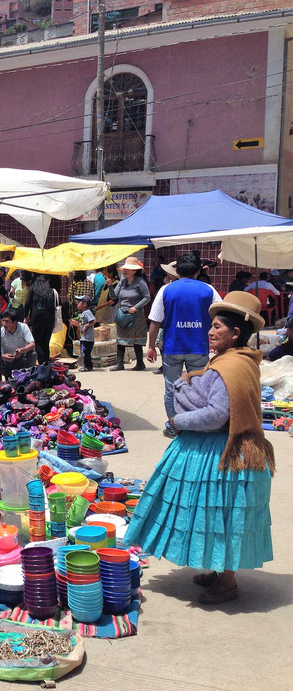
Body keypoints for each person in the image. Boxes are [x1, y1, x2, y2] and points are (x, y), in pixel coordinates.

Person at [123, 292, 275, 605]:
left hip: (225, 450)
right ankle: (220, 571)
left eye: (218, 327)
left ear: (235, 334)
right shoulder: (239, 360)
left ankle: (228, 583)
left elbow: (217, 414)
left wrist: (178, 420)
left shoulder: (229, 367)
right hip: (226, 445)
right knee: (214, 514)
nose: (210, 331)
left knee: (223, 516)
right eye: (211, 326)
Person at [147, 250, 222, 419]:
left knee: (172, 389)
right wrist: (219, 344)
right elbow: (221, 317)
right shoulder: (209, 290)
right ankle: (194, 424)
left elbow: (155, 321)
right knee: (199, 390)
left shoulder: (166, 290)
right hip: (199, 348)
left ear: (177, 272)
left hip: (172, 348)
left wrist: (151, 347)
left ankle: (174, 426)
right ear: (198, 272)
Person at [108, 256, 151, 372]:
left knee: (136, 340)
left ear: (134, 270)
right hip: (122, 314)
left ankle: (140, 363)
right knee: (120, 340)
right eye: (124, 268)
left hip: (136, 316)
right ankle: (119, 363)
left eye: (128, 269)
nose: (125, 271)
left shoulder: (140, 282)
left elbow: (147, 297)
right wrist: (110, 286)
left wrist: (135, 307)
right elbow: (113, 296)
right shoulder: (122, 282)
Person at [0, 307, 36, 378]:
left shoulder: (23, 327)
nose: (4, 324)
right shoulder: (0, 332)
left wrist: (21, 350)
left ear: (15, 322)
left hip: (21, 359)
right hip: (7, 361)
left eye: (7, 321)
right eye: (3, 321)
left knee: (33, 354)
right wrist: (4, 356)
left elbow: (32, 344)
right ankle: (9, 377)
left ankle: (25, 375)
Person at [24, 274, 56, 365]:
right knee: (46, 343)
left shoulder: (33, 289)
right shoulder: (51, 291)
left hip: (37, 320)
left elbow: (27, 303)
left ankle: (42, 364)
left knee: (37, 343)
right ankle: (46, 363)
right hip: (49, 320)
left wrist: (25, 317)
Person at [70, 295, 96, 372]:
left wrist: (86, 326)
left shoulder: (87, 312)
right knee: (84, 352)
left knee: (85, 352)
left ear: (84, 304)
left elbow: (93, 321)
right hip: (84, 337)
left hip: (87, 338)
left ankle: (87, 366)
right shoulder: (84, 313)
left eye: (79, 302)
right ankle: (88, 365)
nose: (77, 304)